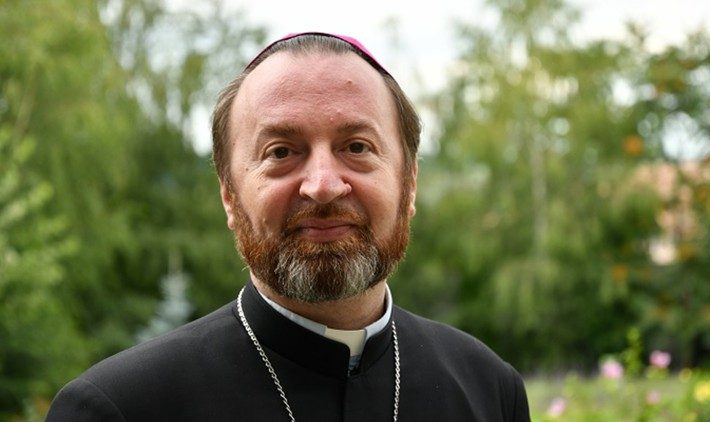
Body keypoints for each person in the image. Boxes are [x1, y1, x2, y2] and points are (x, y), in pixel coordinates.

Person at [47, 32, 530, 421]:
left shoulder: (490, 391)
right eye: (281, 152)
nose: (323, 186)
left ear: (409, 185)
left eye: (357, 147)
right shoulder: (118, 409)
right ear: (229, 195)